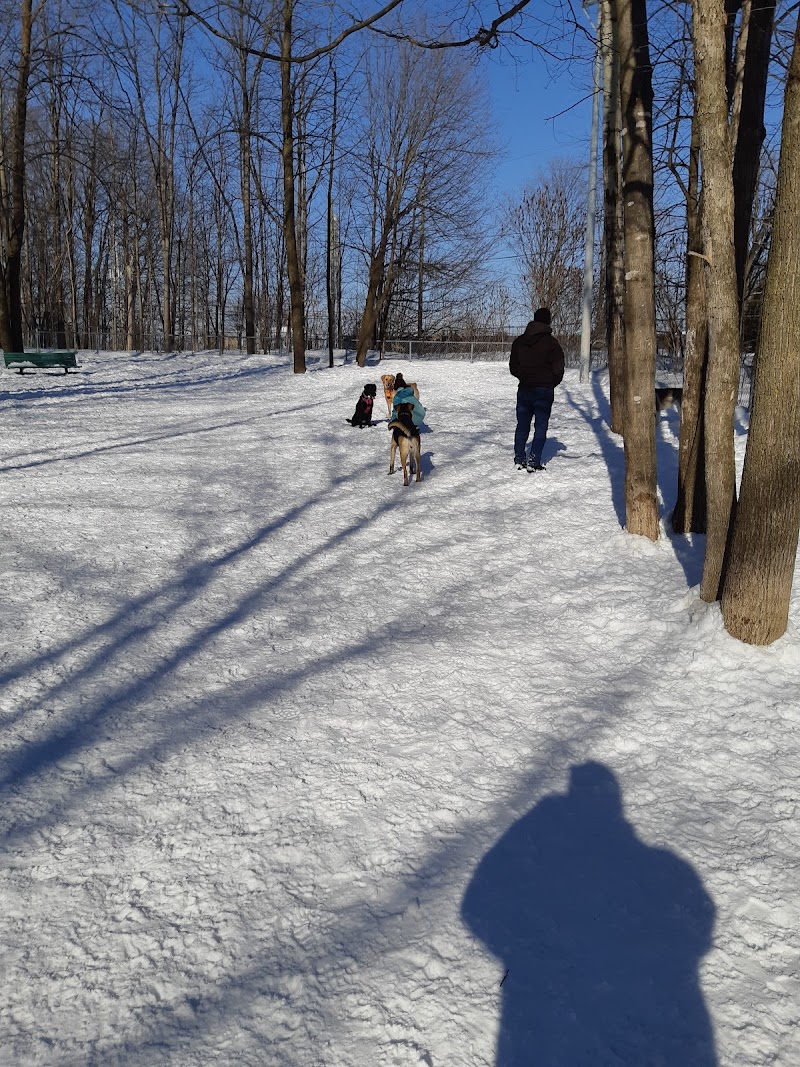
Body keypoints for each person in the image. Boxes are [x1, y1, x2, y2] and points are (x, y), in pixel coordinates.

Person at [509, 308, 565, 471]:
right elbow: (559, 369)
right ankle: (533, 461)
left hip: (525, 389)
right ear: (548, 322)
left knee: (522, 425)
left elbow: (513, 367)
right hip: (544, 391)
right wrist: (549, 382)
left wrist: (524, 377)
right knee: (541, 426)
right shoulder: (552, 344)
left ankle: (519, 459)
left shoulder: (519, 341)